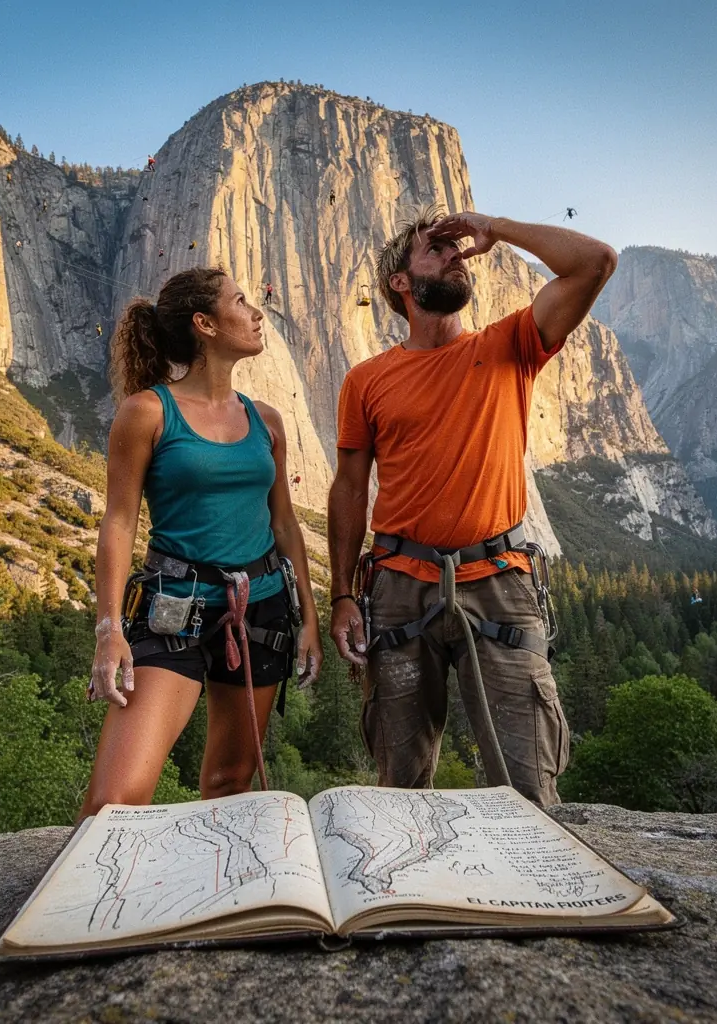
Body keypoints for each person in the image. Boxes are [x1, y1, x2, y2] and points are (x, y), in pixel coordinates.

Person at [328, 205, 616, 807]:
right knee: (400, 787)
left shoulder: (511, 344)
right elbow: (350, 489)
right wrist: (342, 595)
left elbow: (595, 263)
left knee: (529, 785)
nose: (454, 253)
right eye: (435, 248)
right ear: (399, 283)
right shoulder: (367, 381)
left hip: (501, 582)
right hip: (398, 588)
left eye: (455, 247)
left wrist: (497, 227)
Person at [81, 267, 323, 814]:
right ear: (205, 325)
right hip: (173, 611)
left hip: (260, 613)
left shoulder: (267, 421)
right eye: (242, 301)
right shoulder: (147, 412)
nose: (257, 311)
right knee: (113, 802)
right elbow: (118, 523)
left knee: (229, 781)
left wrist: (309, 619)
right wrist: (109, 630)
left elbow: (284, 525)